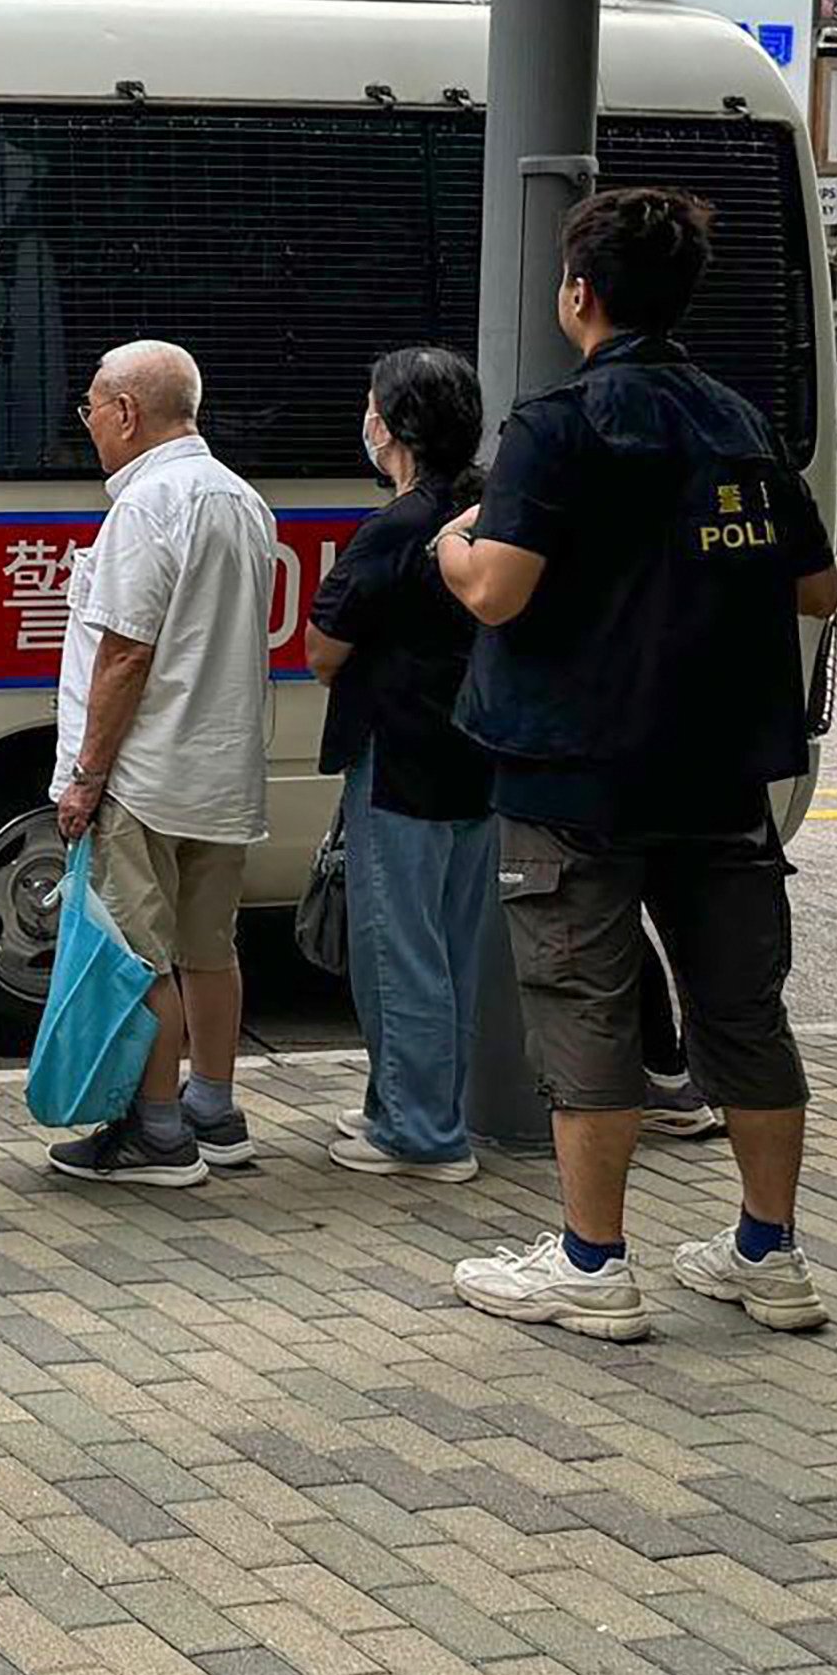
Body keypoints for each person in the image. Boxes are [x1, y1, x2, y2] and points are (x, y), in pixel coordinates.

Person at [438, 186, 837, 1341]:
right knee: (743, 1011)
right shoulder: (735, 420)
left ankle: (591, 1263)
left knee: (586, 1008)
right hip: (721, 767)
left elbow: (500, 590)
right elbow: (814, 586)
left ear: (579, 294)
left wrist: (454, 544)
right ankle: (770, 1252)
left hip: (576, 775)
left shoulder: (555, 426)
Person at [44, 340, 278, 1190]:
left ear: (127, 412)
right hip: (221, 769)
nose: (91, 426)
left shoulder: (148, 505)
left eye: (92, 410)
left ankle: (158, 1133)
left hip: (144, 772)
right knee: (210, 948)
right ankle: (214, 1108)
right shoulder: (243, 500)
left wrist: (86, 775)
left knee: (138, 955)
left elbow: (124, 657)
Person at [303, 347, 492, 1183]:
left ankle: (418, 1132)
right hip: (477, 757)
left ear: (395, 426)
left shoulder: (397, 526)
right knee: (451, 946)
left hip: (402, 756)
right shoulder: (487, 509)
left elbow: (324, 649)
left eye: (373, 405)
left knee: (399, 947)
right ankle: (414, 1105)